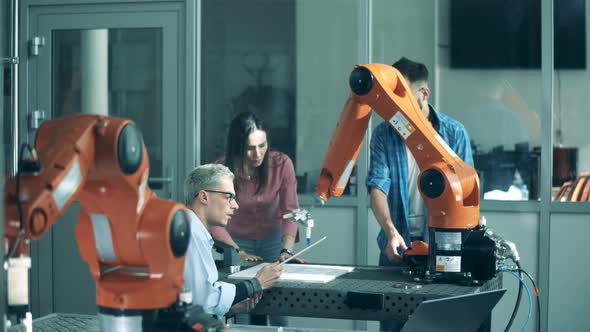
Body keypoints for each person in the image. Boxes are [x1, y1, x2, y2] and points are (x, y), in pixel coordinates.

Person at [366, 57, 474, 332]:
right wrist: (390, 231)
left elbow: (466, 194)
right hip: (396, 249)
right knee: (392, 326)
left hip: (442, 252)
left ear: (423, 94)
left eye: (401, 98)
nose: (394, 108)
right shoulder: (383, 134)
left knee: (438, 327)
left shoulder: (454, 133)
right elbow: (377, 185)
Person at [208, 111, 303, 326]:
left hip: (272, 243)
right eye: (250, 148)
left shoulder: (282, 164)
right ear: (238, 147)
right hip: (237, 244)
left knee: (279, 304)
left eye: (262, 145)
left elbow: (290, 210)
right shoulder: (222, 170)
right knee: (243, 303)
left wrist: (286, 250)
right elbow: (214, 220)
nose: (258, 153)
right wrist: (235, 250)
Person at [182, 163, 282, 319]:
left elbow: (196, 300)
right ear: (204, 197)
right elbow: (205, 298)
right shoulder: (191, 233)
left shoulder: (190, 228)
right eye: (229, 197)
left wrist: (228, 308)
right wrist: (258, 283)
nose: (235, 205)